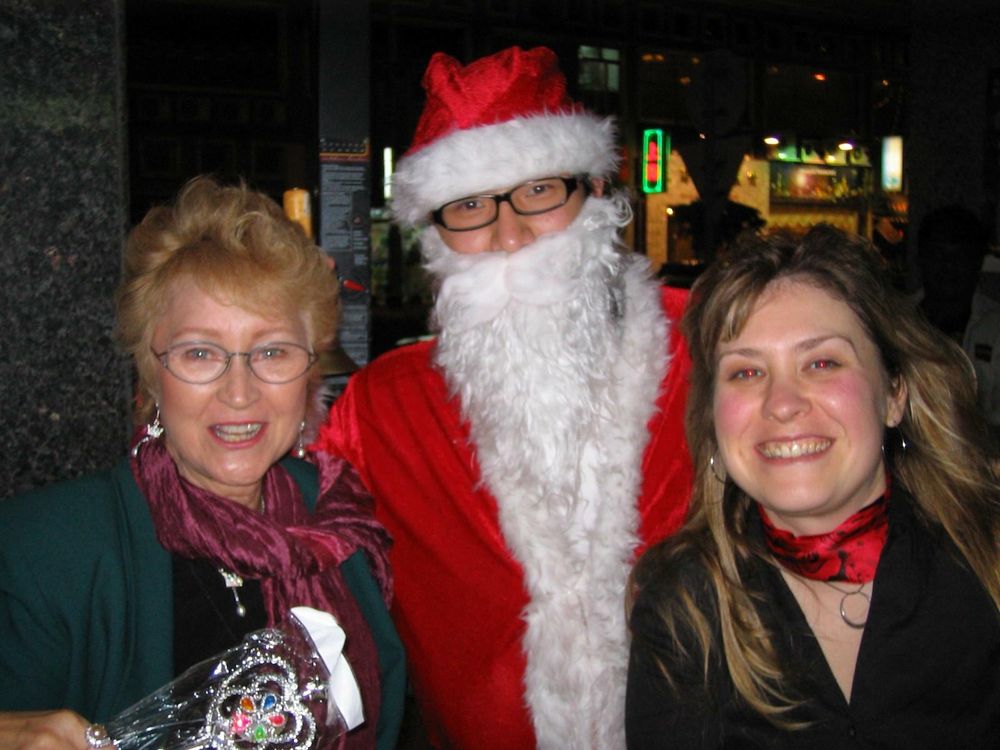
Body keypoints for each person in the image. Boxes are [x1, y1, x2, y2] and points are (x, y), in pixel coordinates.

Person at [312, 46, 693, 749]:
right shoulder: (384, 410)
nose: (510, 234)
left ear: (595, 192)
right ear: (435, 231)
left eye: (540, 191)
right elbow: (277, 547)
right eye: (469, 206)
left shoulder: (714, 349)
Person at [0, 177, 405, 750]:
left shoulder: (337, 523)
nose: (239, 393)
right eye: (200, 353)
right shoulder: (44, 551)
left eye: (271, 351)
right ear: (152, 374)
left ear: (310, 369)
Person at [626, 225, 1000, 748]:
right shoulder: (682, 607)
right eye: (747, 373)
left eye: (821, 363)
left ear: (894, 393)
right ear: (713, 420)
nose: (782, 403)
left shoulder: (985, 558)